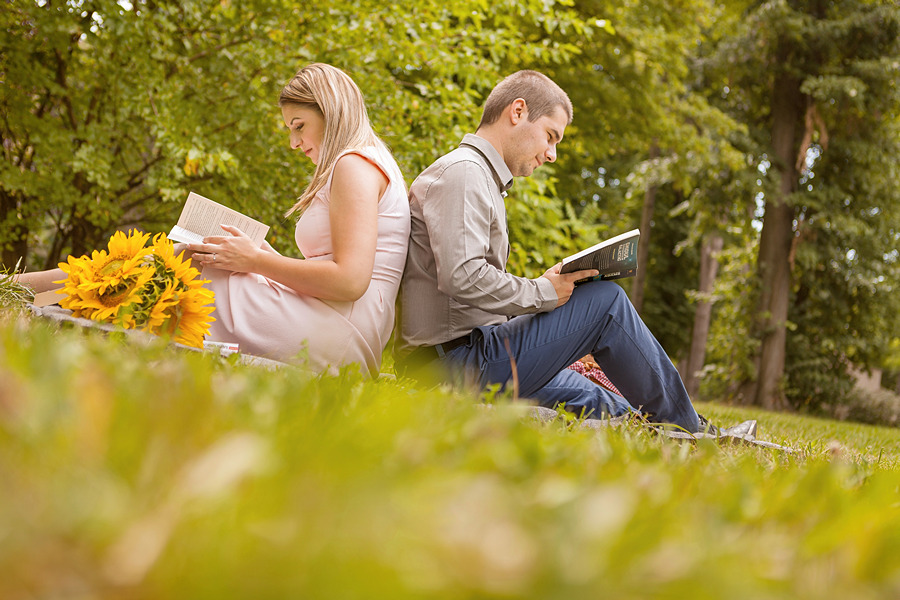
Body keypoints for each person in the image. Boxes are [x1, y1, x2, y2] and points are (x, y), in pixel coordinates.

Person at [17, 63, 410, 375]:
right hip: (334, 320)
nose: (293, 142)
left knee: (180, 265)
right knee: (192, 257)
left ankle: (17, 291)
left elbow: (350, 281)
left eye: (299, 126)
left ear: (332, 111)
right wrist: (258, 256)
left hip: (341, 334)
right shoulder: (361, 162)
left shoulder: (354, 165)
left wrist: (255, 261)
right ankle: (19, 290)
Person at [396, 69, 711, 433]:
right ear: (517, 111)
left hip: (470, 353)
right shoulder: (464, 174)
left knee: (598, 399)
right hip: (451, 366)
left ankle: (668, 430)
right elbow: (462, 276)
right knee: (606, 302)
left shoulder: (479, 178)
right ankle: (692, 430)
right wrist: (543, 292)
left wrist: (547, 291)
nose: (552, 154)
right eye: (550, 136)